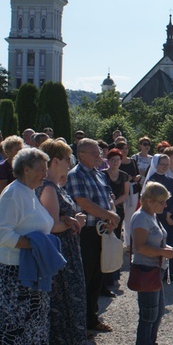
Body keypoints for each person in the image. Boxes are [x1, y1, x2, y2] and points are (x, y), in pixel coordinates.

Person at [0, 147, 68, 345]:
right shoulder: (14, 193)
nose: (44, 174)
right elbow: (2, 235)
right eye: (40, 170)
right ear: (25, 169)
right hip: (15, 269)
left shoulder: (29, 191)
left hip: (30, 268)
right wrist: (35, 244)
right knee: (16, 319)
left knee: (31, 320)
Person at [34, 139, 88, 345]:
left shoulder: (55, 186)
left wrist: (71, 221)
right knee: (57, 300)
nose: (69, 164)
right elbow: (50, 225)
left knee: (64, 300)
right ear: (55, 160)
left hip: (66, 248)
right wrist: (73, 222)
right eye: (67, 159)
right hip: (58, 250)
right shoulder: (48, 187)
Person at [66, 138, 121, 333]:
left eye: (99, 153)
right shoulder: (75, 175)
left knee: (98, 275)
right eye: (95, 154)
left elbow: (109, 198)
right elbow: (83, 203)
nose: (100, 157)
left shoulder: (99, 175)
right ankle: (80, 322)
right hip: (86, 233)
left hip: (101, 230)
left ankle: (92, 318)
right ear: (81, 155)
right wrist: (109, 215)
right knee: (85, 277)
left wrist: (110, 217)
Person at [131, 182, 173, 345]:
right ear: (149, 201)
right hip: (146, 270)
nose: (165, 205)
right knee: (148, 315)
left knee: (157, 313)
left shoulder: (151, 216)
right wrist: (163, 252)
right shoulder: (141, 218)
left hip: (156, 271)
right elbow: (140, 247)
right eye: (162, 202)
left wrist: (164, 250)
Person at [102, 149, 131, 295]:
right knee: (105, 240)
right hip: (105, 210)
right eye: (112, 159)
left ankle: (114, 272)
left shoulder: (124, 175)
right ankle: (105, 273)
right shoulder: (103, 174)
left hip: (118, 210)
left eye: (118, 160)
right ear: (108, 160)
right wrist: (110, 205)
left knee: (116, 239)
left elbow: (125, 194)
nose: (115, 162)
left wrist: (115, 202)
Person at [148, 154, 173, 278]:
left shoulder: (170, 180)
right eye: (162, 164)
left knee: (170, 243)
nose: (164, 167)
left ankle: (169, 272)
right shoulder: (152, 180)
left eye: (167, 165)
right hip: (157, 217)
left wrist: (170, 214)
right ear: (156, 164)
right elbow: (151, 200)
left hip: (168, 217)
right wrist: (163, 214)